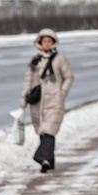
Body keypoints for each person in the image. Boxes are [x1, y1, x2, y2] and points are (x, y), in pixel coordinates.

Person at [20, 28, 74, 173]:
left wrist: (61, 93)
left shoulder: (60, 58)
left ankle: (41, 157)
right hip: (38, 101)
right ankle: (48, 162)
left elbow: (69, 77)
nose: (47, 44)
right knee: (42, 131)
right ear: (39, 42)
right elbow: (28, 80)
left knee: (49, 130)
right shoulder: (34, 60)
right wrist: (23, 99)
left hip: (54, 100)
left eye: (49, 41)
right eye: (44, 41)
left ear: (54, 42)